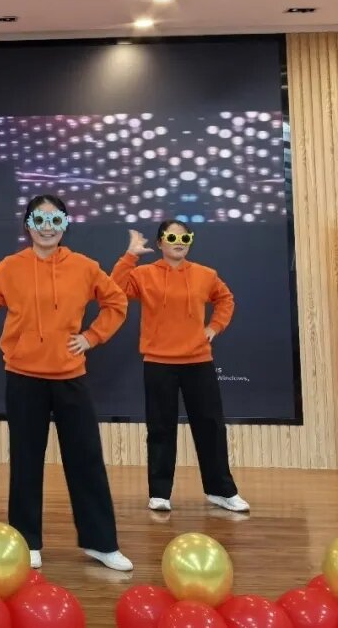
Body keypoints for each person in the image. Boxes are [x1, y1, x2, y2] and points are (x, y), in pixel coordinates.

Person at [0, 194, 133, 571]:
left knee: (86, 459)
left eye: (56, 220)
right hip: (23, 376)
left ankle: (101, 543)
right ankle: (27, 541)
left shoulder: (85, 267)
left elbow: (116, 303)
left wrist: (91, 337)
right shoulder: (10, 267)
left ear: (65, 225)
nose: (47, 227)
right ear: (28, 225)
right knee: (26, 460)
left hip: (70, 376)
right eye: (40, 220)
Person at [111, 220, 247, 513]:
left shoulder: (205, 274)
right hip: (158, 362)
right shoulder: (144, 274)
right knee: (160, 428)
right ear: (160, 242)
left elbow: (226, 299)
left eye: (185, 238)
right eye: (172, 238)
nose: (178, 242)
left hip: (199, 360)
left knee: (211, 427)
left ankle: (221, 491)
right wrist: (131, 255)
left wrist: (214, 326)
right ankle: (160, 493)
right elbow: (115, 289)